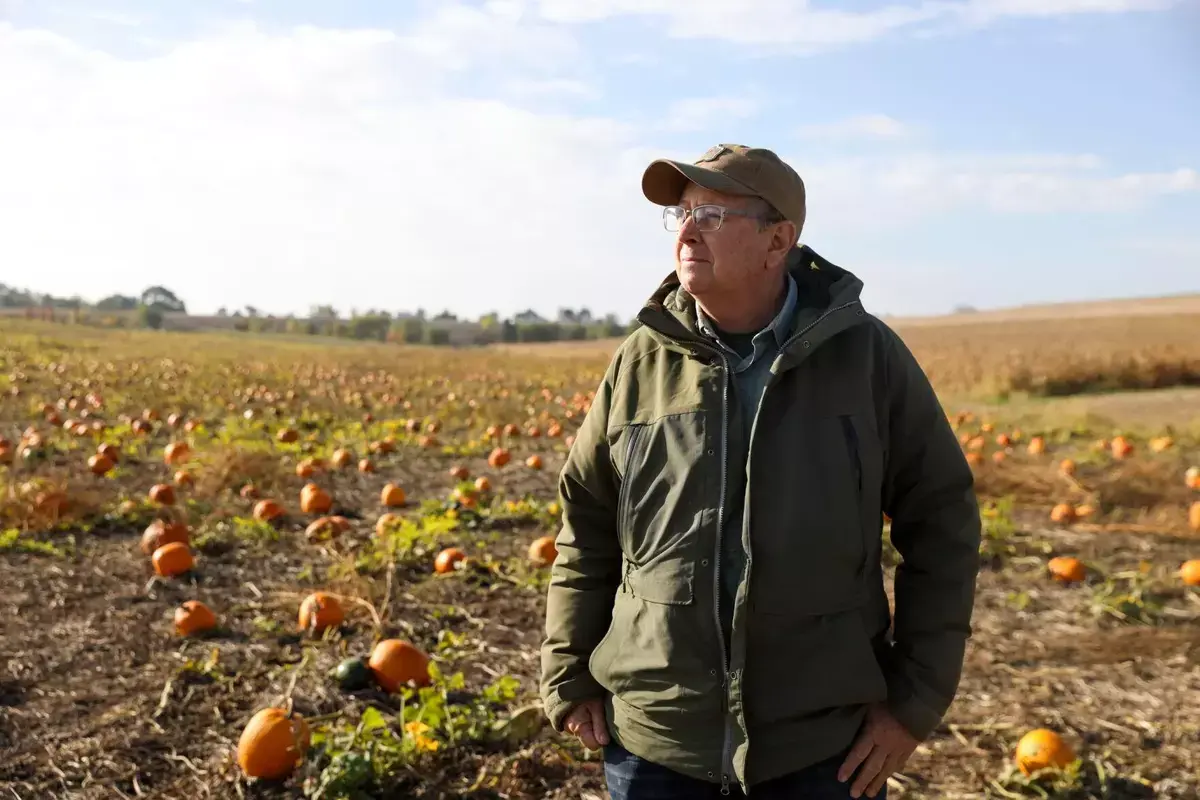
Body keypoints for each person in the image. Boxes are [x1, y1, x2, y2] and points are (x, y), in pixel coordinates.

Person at [538, 143, 982, 799]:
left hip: (821, 751)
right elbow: (588, 524)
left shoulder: (865, 359)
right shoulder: (639, 363)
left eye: (712, 214)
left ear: (778, 241)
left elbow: (942, 525)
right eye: (681, 213)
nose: (686, 231)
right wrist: (568, 671)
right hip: (656, 745)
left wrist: (914, 702)